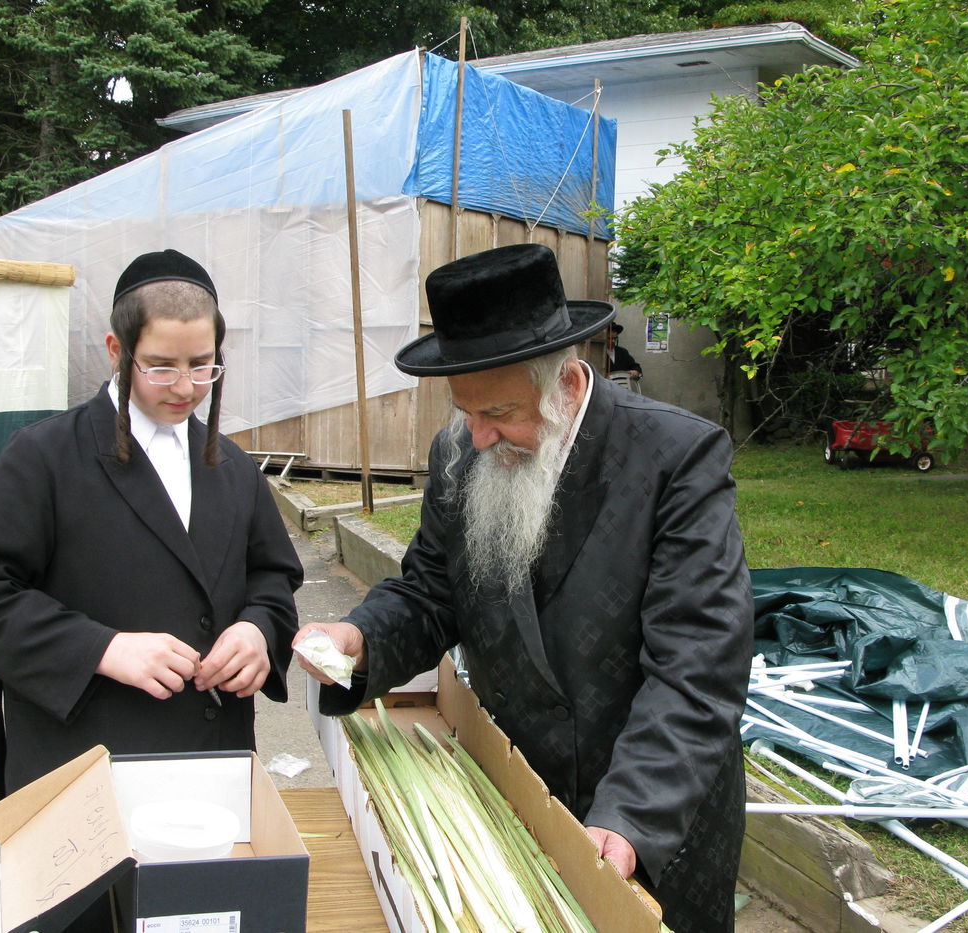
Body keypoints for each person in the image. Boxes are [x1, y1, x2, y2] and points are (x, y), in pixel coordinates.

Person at [293, 243, 753, 933]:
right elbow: (428, 591)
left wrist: (629, 819)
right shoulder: (460, 451)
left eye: (500, 412)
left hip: (652, 812)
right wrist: (357, 638)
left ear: (566, 384)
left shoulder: (675, 460)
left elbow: (696, 667)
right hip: (519, 796)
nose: (478, 437)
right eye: (465, 410)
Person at [0, 248, 304, 800]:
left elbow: (273, 579)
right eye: (160, 366)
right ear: (117, 350)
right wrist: (102, 648)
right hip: (82, 766)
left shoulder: (233, 467)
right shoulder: (42, 456)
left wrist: (258, 631)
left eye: (203, 366)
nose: (185, 388)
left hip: (212, 764)